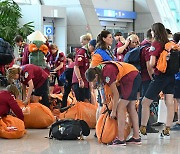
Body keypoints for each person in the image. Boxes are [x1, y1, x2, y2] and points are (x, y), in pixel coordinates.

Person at [86, 61, 141, 145]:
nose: (94, 83)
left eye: (94, 80)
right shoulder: (99, 70)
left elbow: (116, 94)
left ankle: (121, 139)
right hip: (134, 75)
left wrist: (114, 110)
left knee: (120, 107)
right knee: (131, 107)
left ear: (96, 76)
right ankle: (136, 137)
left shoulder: (107, 72)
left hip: (130, 77)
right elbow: (102, 89)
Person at [140, 23, 175, 138]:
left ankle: (143, 127)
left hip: (160, 77)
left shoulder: (156, 43)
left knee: (145, 102)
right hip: (171, 76)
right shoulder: (169, 43)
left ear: (154, 32)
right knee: (169, 102)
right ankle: (167, 128)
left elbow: (152, 63)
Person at [138, 29, 159, 133]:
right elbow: (149, 66)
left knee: (143, 101)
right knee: (145, 102)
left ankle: (142, 124)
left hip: (141, 77)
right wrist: (153, 79)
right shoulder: (147, 48)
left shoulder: (142, 45)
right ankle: (145, 125)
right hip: (147, 78)